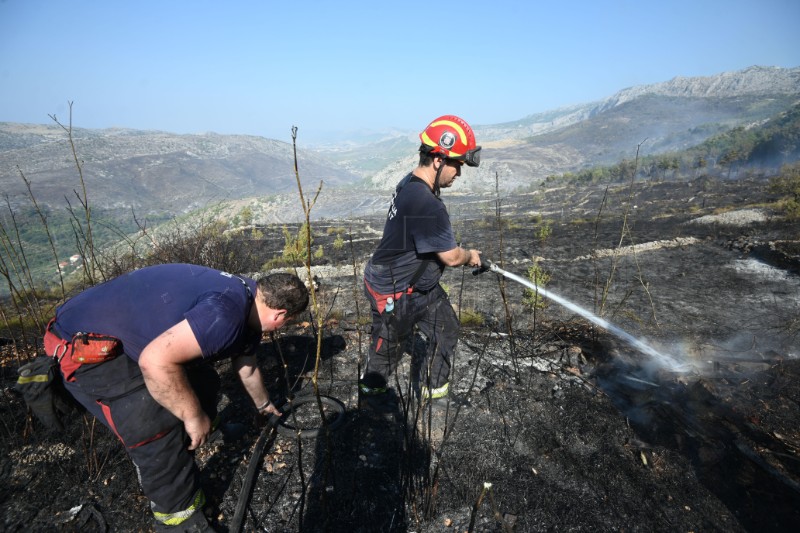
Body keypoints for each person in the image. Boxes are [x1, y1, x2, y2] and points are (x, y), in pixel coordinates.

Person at [43, 263, 308, 531]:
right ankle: (179, 519)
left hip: (114, 325)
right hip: (86, 344)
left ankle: (198, 434)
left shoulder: (249, 296)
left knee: (204, 380)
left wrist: (263, 405)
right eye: (287, 323)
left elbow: (246, 364)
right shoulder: (226, 314)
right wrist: (192, 416)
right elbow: (154, 361)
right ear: (280, 314)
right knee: (153, 425)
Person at [360, 115, 483, 403]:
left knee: (447, 328)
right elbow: (452, 258)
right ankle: (372, 395)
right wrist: (470, 256)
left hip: (420, 287)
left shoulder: (411, 183)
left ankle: (434, 392)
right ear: (439, 159)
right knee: (388, 344)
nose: (459, 174)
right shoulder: (427, 203)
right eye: (457, 165)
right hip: (396, 290)